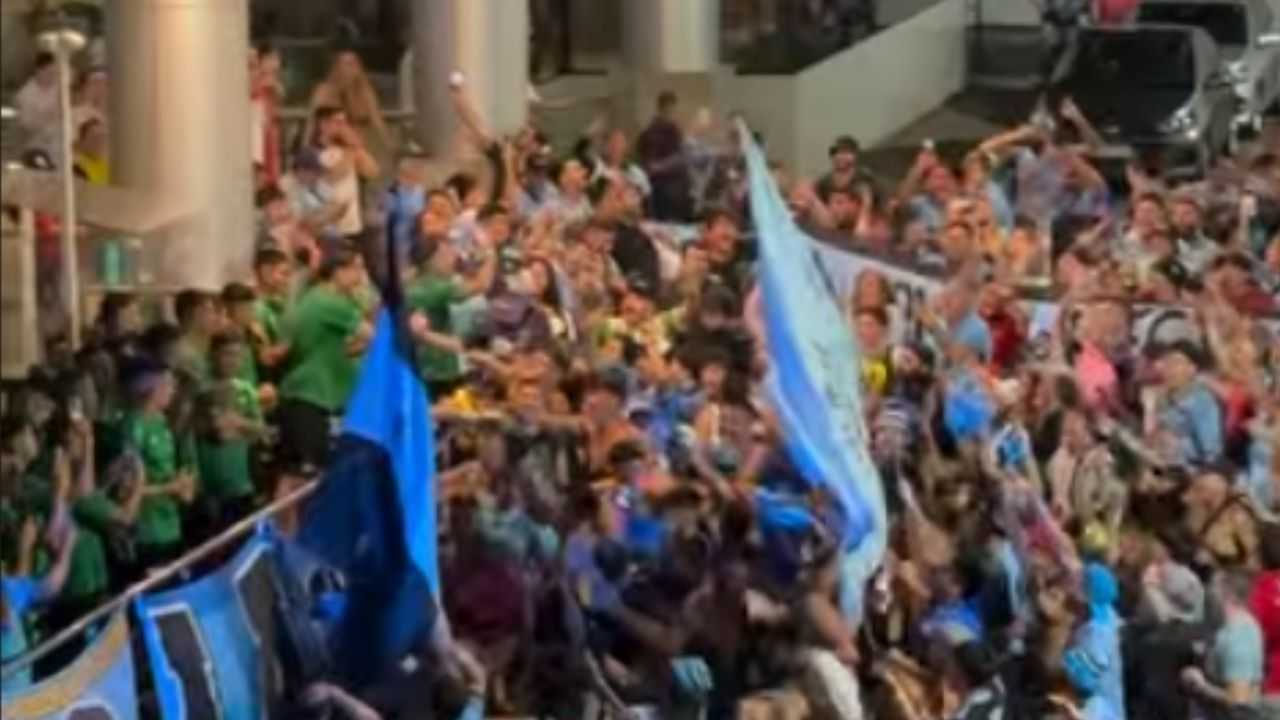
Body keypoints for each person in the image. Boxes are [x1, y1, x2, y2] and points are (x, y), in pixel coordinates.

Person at [276, 247, 372, 470]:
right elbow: (374, 335)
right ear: (338, 272)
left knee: (300, 474)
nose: (361, 276)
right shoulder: (329, 303)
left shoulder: (320, 297)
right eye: (356, 269)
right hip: (311, 395)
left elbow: (342, 346)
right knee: (309, 475)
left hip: (318, 394)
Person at [310, 105, 380, 241]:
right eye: (338, 123)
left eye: (344, 123)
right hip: (327, 224)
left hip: (352, 222)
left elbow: (372, 172)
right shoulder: (312, 151)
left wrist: (358, 148)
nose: (343, 128)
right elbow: (333, 176)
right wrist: (351, 149)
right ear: (323, 124)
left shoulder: (349, 149)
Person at [637, 91, 694, 222]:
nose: (673, 114)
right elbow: (650, 166)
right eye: (670, 110)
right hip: (665, 191)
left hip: (677, 190)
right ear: (663, 109)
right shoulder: (651, 133)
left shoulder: (674, 130)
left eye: (674, 110)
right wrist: (673, 162)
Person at [15, 53, 61, 161]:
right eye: (49, 72)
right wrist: (46, 118)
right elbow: (26, 124)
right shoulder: (25, 94)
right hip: (36, 144)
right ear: (38, 71)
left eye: (55, 73)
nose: (53, 76)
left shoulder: (59, 88)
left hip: (58, 141)